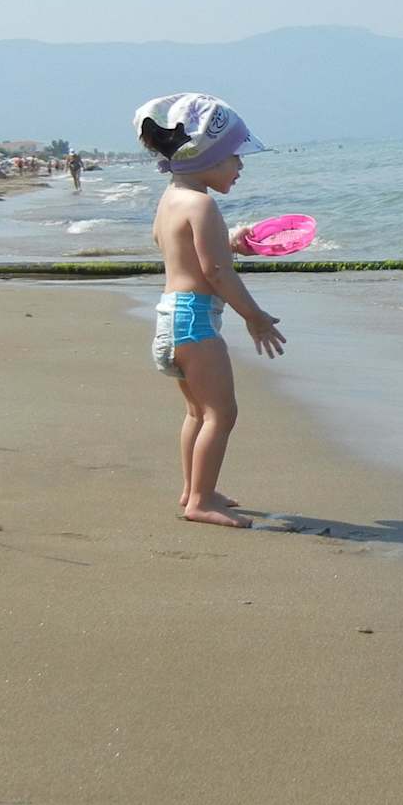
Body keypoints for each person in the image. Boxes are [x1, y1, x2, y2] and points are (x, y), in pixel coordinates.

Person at [137, 93, 286, 527]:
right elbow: (217, 272)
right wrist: (254, 316)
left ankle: (194, 488)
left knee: (197, 413)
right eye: (234, 157)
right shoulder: (202, 205)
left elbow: (180, 250)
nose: (240, 166)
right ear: (207, 157)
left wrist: (230, 241)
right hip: (196, 322)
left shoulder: (172, 199)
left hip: (171, 318)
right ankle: (200, 502)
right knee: (222, 413)